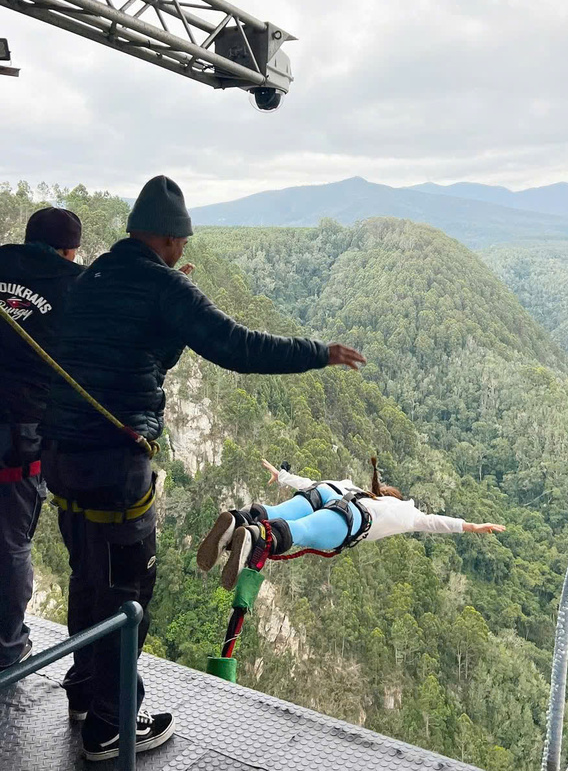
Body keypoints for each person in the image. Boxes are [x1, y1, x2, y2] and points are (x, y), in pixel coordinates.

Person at [39, 175, 366, 762]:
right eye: (181, 243)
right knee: (127, 591)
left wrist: (167, 317)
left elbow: (138, 355)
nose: (183, 252)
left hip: (61, 456)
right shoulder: (164, 287)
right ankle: (112, 726)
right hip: (115, 462)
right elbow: (238, 347)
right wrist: (319, 352)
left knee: (88, 574)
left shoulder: (92, 277)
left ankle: (86, 692)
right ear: (167, 239)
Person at [197, 458, 506, 590]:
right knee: (297, 532)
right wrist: (472, 526)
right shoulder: (398, 511)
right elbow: (432, 522)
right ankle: (253, 537)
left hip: (326, 490)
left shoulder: (350, 486)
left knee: (274, 511)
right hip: (350, 519)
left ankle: (239, 520)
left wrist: (283, 477)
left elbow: (310, 483)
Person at [0, 207, 83, 670]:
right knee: (11, 541)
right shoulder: (75, 284)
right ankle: (8, 647)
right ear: (69, 250)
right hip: (19, 432)